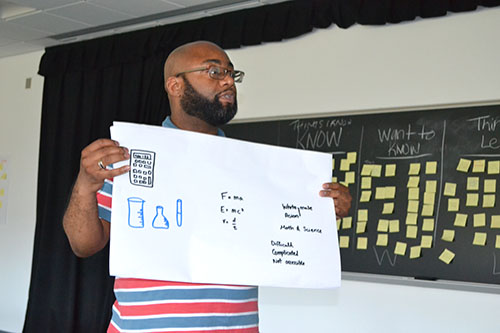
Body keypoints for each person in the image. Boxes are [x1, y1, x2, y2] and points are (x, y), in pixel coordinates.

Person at [63, 41, 352, 333]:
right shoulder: (131, 154)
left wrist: (321, 212)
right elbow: (84, 245)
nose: (228, 81)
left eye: (231, 73)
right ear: (175, 85)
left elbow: (280, 235)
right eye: (214, 71)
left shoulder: (253, 167)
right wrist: (85, 186)